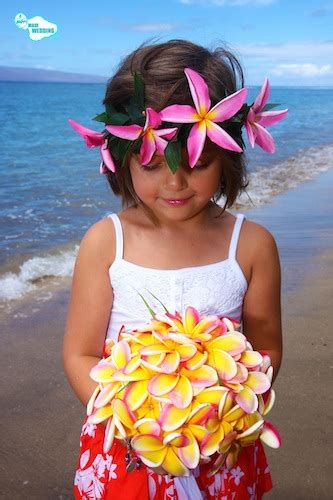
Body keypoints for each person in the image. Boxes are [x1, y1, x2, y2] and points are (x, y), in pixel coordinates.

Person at [63, 39, 285, 499]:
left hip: (220, 444)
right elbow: (80, 354)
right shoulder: (106, 243)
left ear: (227, 154)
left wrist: (228, 417)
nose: (175, 182)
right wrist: (133, 422)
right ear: (121, 157)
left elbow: (266, 351)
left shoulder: (253, 245)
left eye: (197, 162)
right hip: (127, 448)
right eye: (150, 162)